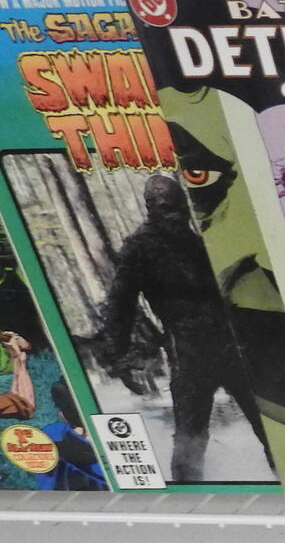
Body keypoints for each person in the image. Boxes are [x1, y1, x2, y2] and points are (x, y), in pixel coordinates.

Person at [99, 174, 269, 482]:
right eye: (167, 208)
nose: (176, 215)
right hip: (190, 359)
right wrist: (119, 356)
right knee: (190, 442)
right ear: (152, 208)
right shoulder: (138, 248)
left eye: (180, 207)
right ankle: (186, 495)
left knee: (271, 426)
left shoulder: (198, 242)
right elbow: (119, 305)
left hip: (233, 350)